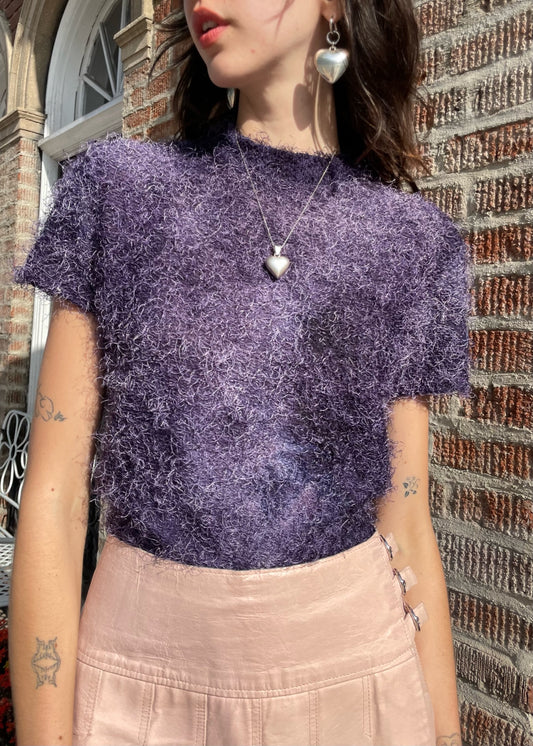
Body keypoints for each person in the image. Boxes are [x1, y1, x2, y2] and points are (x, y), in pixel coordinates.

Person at [9, 1, 470, 744]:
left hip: (359, 687)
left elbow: (406, 521)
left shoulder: (413, 244)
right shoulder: (119, 192)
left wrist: (444, 733)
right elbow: (57, 498)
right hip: (136, 687)